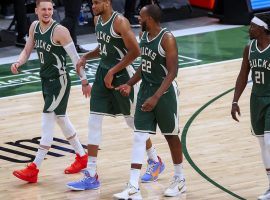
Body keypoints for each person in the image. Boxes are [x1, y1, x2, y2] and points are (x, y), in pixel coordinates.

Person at [66, 0, 164, 191]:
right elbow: (104, 48)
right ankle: (91, 174)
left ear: (107, 2)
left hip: (123, 75)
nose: (92, 6)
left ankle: (154, 160)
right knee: (94, 120)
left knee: (134, 122)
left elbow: (135, 51)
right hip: (104, 72)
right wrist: (86, 57)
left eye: (96, 2)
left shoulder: (120, 22)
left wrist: (114, 71)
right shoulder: (97, 20)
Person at [10, 0, 91, 183]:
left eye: (50, 9)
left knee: (47, 120)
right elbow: (27, 49)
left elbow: (75, 59)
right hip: (46, 81)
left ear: (53, 10)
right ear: (36, 10)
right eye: (43, 9)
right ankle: (81, 156)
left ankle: (35, 167)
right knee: (61, 119)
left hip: (59, 82)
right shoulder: (34, 27)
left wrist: (84, 81)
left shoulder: (60, 31)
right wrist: (18, 62)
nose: (47, 12)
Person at [113, 4, 186, 199]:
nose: (138, 19)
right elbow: (144, 67)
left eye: (141, 17)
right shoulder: (143, 37)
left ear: (150, 20)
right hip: (146, 90)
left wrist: (156, 97)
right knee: (139, 136)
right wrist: (129, 83)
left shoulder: (167, 39)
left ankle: (180, 179)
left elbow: (172, 72)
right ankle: (133, 185)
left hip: (165, 94)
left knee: (171, 136)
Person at [231, 14, 270, 200]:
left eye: (253, 26)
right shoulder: (249, 48)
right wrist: (235, 100)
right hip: (256, 99)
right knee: (263, 144)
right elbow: (242, 75)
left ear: (262, 29)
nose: (249, 29)